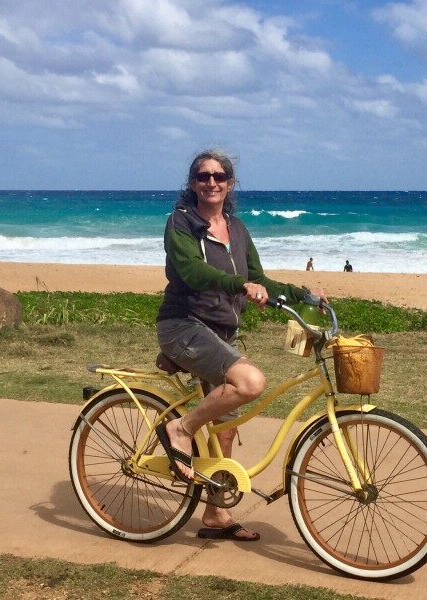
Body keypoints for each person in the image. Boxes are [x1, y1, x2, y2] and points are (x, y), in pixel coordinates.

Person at [155, 149, 326, 542]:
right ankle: (179, 430)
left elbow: (259, 279)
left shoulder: (238, 228)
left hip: (221, 333)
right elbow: (193, 272)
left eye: (219, 176)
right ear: (193, 182)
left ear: (230, 183)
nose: (211, 182)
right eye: (203, 176)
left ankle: (214, 514)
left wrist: (306, 296)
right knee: (249, 383)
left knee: (225, 428)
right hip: (183, 326)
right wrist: (239, 285)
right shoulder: (181, 223)